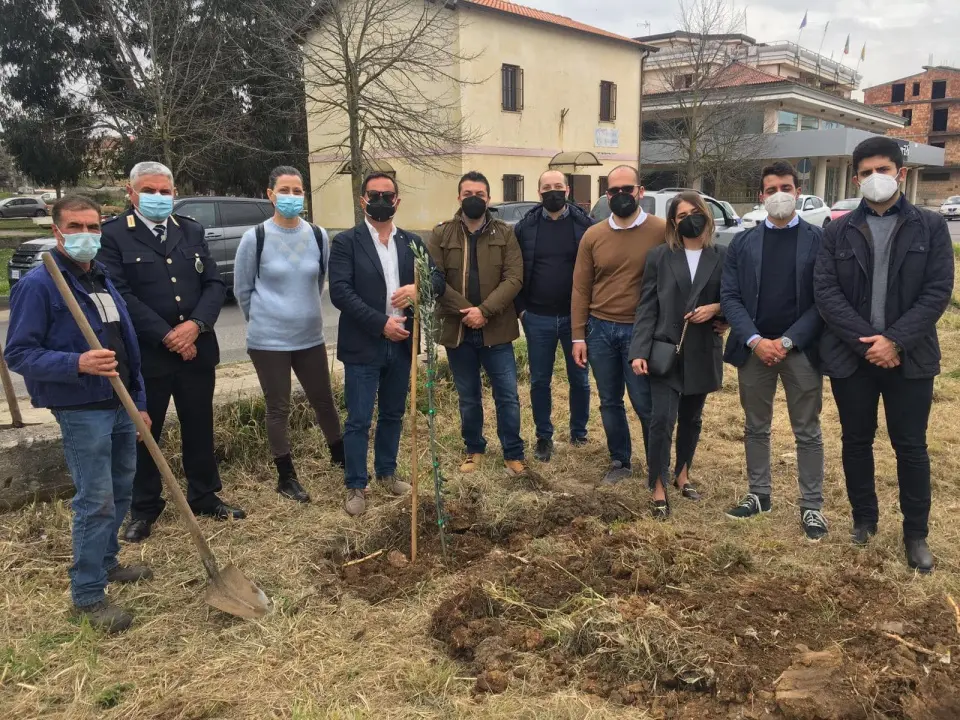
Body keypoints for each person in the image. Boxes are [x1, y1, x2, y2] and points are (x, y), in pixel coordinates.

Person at [5, 196, 154, 633]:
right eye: (76, 226)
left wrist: (140, 403)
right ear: (57, 231)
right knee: (97, 499)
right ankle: (88, 594)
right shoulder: (40, 285)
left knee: (122, 487)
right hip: (81, 408)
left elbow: (128, 349)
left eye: (93, 226)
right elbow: (19, 353)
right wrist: (77, 363)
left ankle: (107, 563)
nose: (86, 235)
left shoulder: (101, 278)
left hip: (122, 401)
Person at [815, 137, 953, 572]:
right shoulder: (837, 230)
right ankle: (864, 521)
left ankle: (916, 534)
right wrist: (869, 343)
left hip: (909, 358)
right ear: (857, 178)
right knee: (856, 441)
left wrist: (894, 340)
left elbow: (936, 292)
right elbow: (826, 293)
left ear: (901, 173)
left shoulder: (929, 227)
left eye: (884, 169)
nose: (876, 178)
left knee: (910, 446)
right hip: (851, 359)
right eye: (867, 171)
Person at [98, 161, 241, 543]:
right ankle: (144, 507)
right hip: (149, 355)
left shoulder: (190, 230)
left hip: (197, 349)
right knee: (146, 432)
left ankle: (205, 494)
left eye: (165, 191)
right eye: (149, 190)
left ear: (174, 193)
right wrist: (168, 335)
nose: (158, 197)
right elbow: (120, 295)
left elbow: (213, 283)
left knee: (199, 424)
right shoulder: (113, 235)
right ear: (131, 193)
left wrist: (195, 326)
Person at [720, 161, 827, 541]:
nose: (779, 193)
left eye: (786, 186)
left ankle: (811, 506)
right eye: (771, 188)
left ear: (797, 191)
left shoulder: (819, 241)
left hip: (800, 350)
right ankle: (759, 494)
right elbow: (730, 296)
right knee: (755, 427)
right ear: (760, 195)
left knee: (808, 430)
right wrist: (755, 340)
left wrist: (786, 341)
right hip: (755, 350)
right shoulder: (743, 243)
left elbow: (824, 301)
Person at [329, 173, 445, 516]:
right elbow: (340, 292)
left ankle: (386, 472)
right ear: (363, 199)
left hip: (403, 344)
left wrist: (418, 288)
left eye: (387, 195)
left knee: (393, 413)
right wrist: (381, 324)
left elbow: (437, 279)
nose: (380, 200)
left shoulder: (411, 243)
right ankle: (355, 484)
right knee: (359, 418)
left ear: (397, 200)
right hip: (365, 344)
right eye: (373, 194)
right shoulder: (346, 242)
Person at [234, 166, 344, 504]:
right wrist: (268, 321)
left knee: (324, 400)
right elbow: (243, 290)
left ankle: (341, 457)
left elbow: (320, 279)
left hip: (310, 336)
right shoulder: (256, 237)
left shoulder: (317, 235)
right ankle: (286, 475)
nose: (292, 197)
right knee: (278, 407)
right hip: (269, 342)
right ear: (270, 194)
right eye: (285, 190)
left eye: (298, 191)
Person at [629, 192, 725, 519]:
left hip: (702, 350)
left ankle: (682, 473)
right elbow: (646, 307)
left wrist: (718, 309)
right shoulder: (660, 256)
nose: (688, 218)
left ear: (706, 214)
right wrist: (638, 350)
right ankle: (657, 482)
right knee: (661, 420)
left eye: (693, 212)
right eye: (680, 215)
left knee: (692, 419)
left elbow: (736, 299)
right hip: (665, 350)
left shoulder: (722, 255)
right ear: (673, 223)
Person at [571, 165, 665, 484]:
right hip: (599, 331)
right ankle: (620, 461)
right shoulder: (593, 236)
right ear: (607, 195)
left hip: (640, 332)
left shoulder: (661, 231)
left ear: (640, 191)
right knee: (610, 401)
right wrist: (577, 336)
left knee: (644, 402)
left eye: (628, 189)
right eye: (614, 191)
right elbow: (581, 288)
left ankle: (658, 465)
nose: (621, 196)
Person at [429, 171, 526, 476]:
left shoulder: (505, 233)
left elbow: (514, 278)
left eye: (480, 194)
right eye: (468, 193)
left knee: (507, 395)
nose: (474, 198)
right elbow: (435, 280)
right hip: (458, 332)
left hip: (496, 330)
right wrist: (467, 311)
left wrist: (484, 311)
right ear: (459, 197)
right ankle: (474, 450)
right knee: (468, 397)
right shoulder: (441, 234)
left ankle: (513, 453)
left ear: (488, 198)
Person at [513, 170, 593, 461]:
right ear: (539, 193)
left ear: (568, 190)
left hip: (576, 320)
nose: (553, 192)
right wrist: (521, 310)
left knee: (580, 379)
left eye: (558, 187)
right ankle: (543, 437)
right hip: (537, 317)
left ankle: (579, 433)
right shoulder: (525, 228)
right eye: (547, 188)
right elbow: (514, 271)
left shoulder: (586, 226)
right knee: (539, 381)